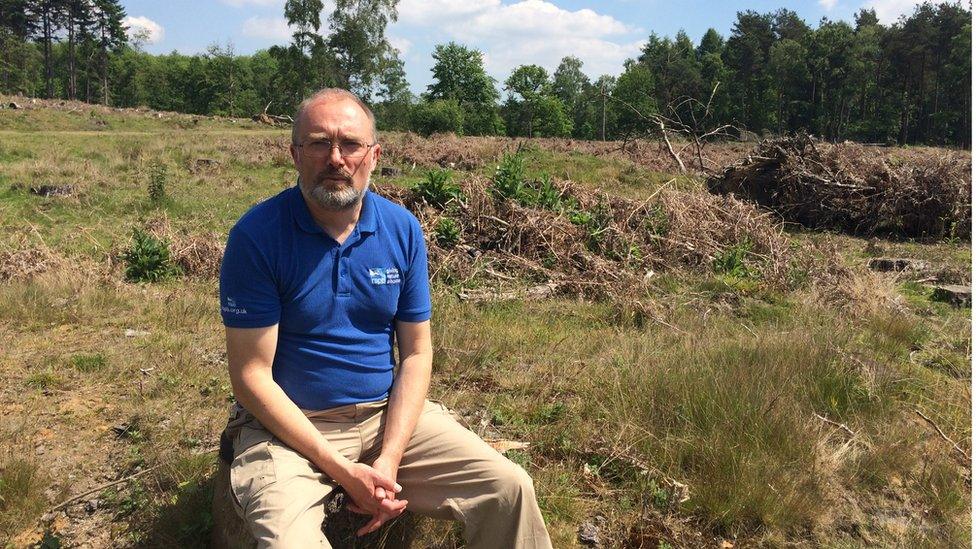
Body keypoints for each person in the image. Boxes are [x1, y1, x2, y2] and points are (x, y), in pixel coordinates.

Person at [218, 87, 553, 548]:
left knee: (509, 488)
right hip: (290, 429)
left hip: (384, 416)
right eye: (319, 143)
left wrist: (389, 458)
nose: (336, 158)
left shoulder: (401, 229)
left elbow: (416, 352)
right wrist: (341, 471)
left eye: (350, 144)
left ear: (374, 155)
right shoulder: (257, 236)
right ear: (294, 153)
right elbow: (251, 376)